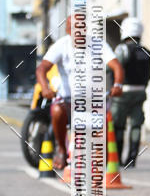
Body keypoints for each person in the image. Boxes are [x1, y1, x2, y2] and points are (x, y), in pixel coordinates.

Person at [36, 16, 124, 170]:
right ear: (68, 30)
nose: (78, 33)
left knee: (102, 145)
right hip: (67, 101)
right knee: (56, 110)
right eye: (74, 29)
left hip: (93, 102)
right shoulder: (61, 45)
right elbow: (42, 69)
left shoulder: (98, 44)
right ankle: (62, 150)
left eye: (81, 28)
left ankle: (99, 181)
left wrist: (117, 85)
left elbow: (116, 66)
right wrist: (45, 88)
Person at [111, 17, 150, 168]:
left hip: (123, 93)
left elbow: (113, 67)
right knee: (136, 125)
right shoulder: (146, 51)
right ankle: (132, 158)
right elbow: (149, 75)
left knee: (119, 125)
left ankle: (117, 157)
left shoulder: (122, 49)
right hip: (140, 92)